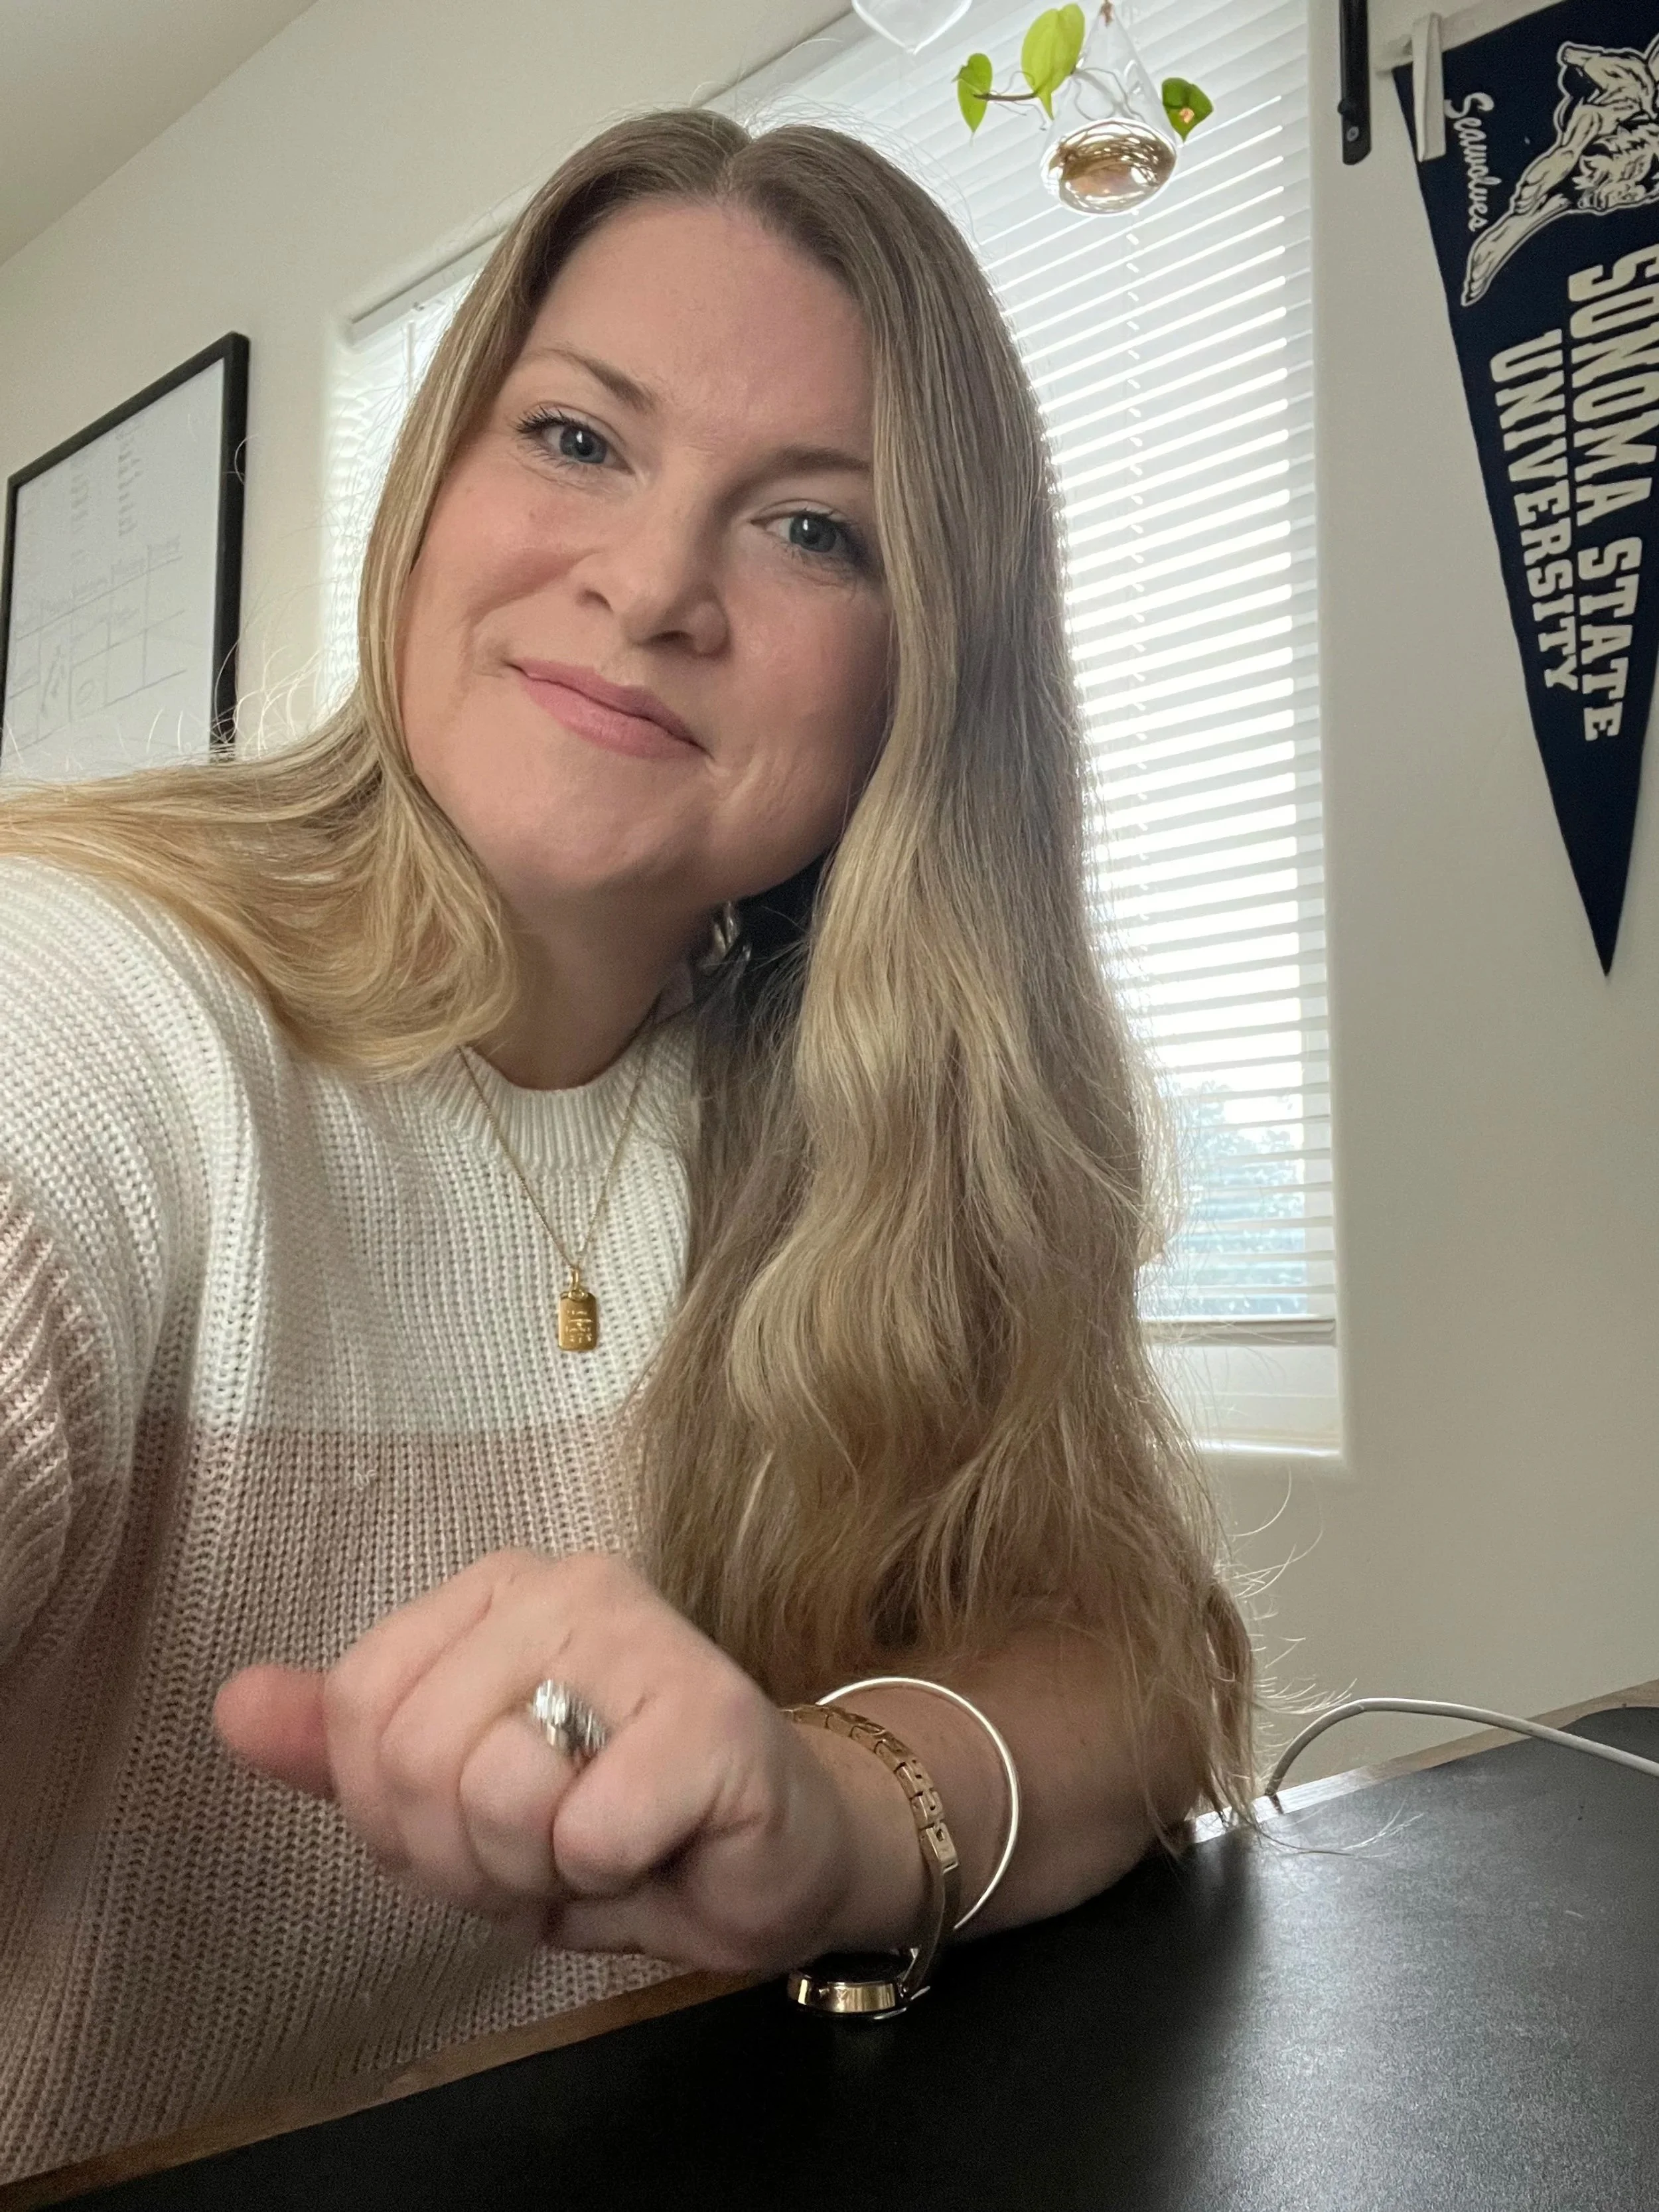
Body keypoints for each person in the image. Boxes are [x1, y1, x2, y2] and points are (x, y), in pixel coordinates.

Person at [0, 109, 1254, 2186]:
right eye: (580, 439)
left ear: (922, 682)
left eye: (814, 530)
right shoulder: (91, 1015)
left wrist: (839, 1812)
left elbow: (1130, 1665)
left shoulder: (881, 1134)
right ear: (436, 490)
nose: (653, 581)